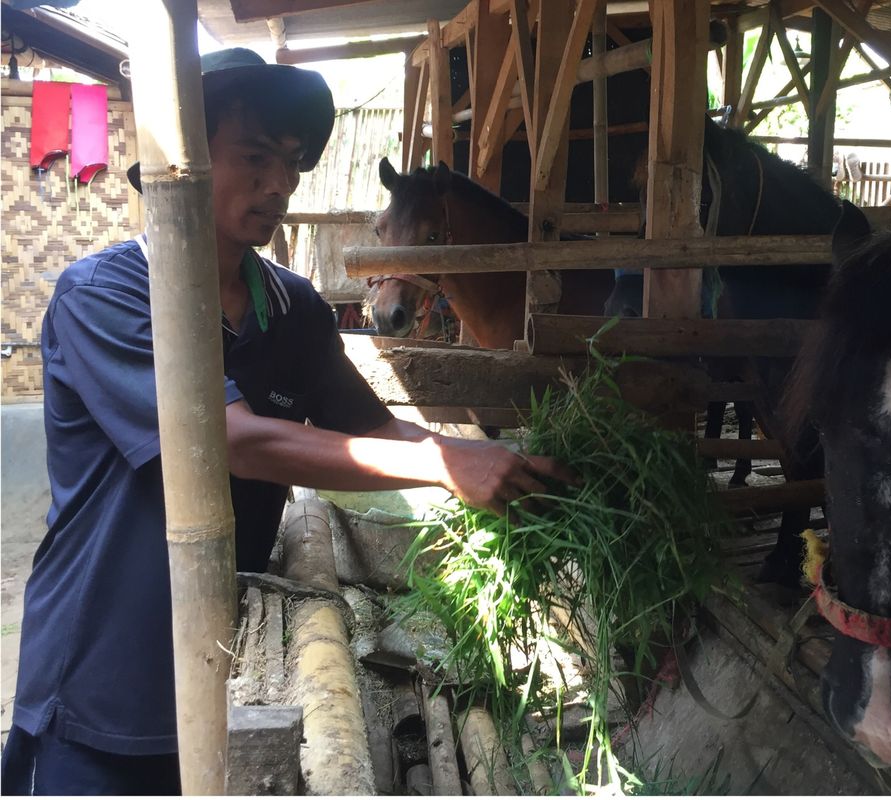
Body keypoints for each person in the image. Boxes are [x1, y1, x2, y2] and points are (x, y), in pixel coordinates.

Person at [0, 48, 572, 795]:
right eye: (255, 156)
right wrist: (441, 466)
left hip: (211, 657)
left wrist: (497, 465)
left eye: (293, 163)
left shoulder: (292, 307)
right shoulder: (105, 295)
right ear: (187, 160)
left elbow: (374, 429)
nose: (280, 184)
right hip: (100, 663)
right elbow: (232, 441)